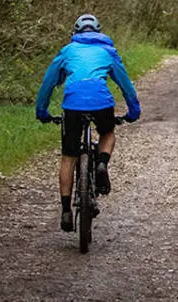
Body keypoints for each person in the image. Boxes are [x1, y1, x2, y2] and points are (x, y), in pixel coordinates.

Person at [35, 13, 141, 232]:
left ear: (74, 33)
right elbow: (125, 84)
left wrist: (42, 111)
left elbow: (48, 83)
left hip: (73, 104)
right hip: (101, 102)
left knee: (68, 157)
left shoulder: (67, 51)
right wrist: (133, 111)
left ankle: (66, 211)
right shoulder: (108, 52)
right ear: (99, 32)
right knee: (107, 133)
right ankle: (101, 163)